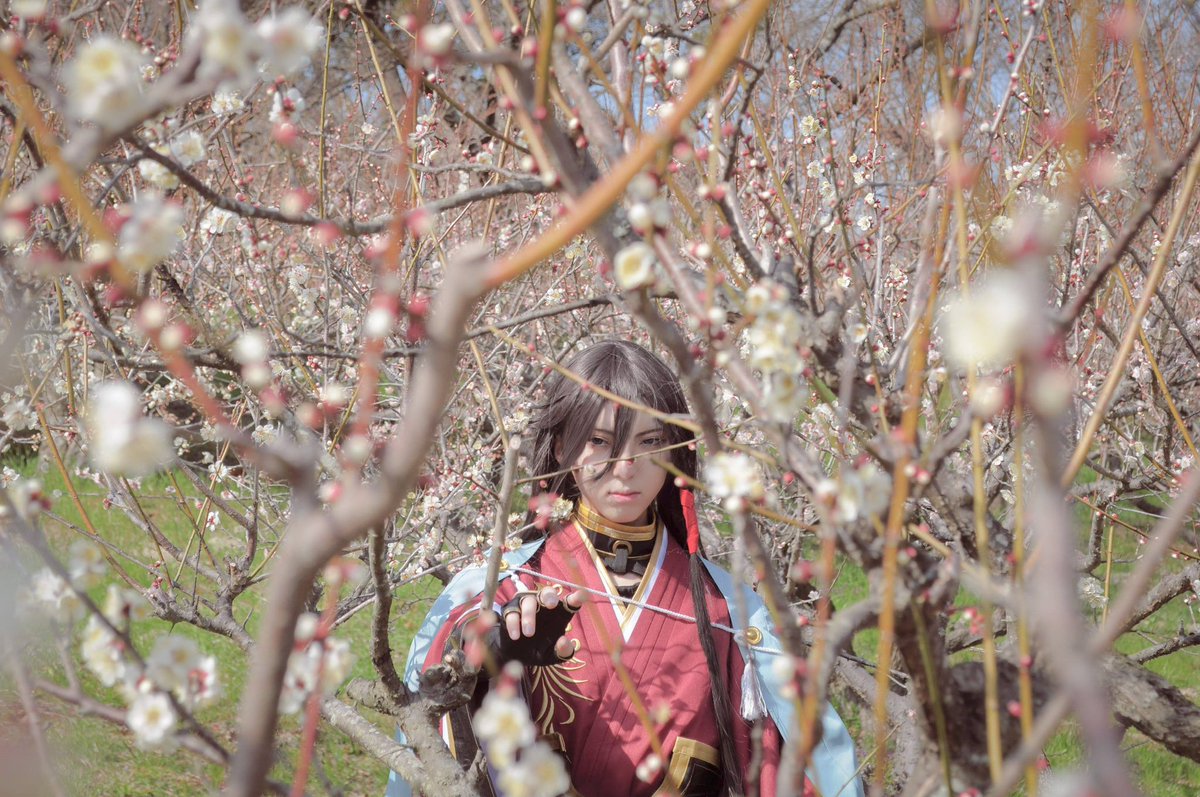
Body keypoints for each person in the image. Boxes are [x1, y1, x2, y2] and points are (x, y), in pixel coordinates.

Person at [387, 340, 862, 797]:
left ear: (675, 450)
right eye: (599, 441)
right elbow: (430, 729)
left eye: (650, 441)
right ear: (561, 447)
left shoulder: (732, 611)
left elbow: (799, 764)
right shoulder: (499, 589)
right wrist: (484, 657)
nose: (626, 466)